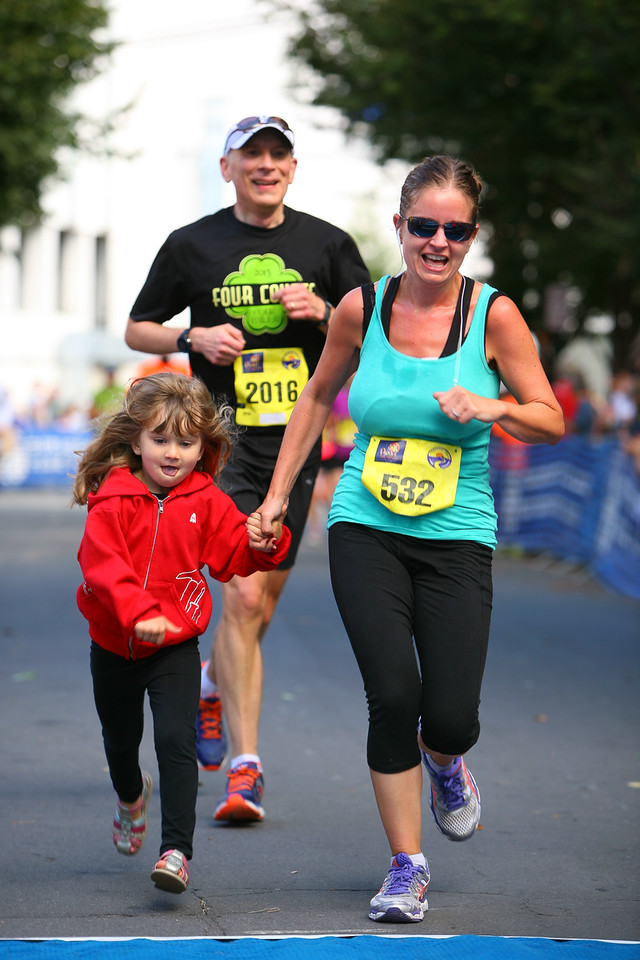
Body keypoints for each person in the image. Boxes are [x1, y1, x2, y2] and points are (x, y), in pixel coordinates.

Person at [254, 155, 565, 923]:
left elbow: (551, 416)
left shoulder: (494, 316)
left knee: (451, 713)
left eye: (454, 230)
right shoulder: (361, 307)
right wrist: (278, 495)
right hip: (367, 524)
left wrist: (492, 410)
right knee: (392, 694)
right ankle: (406, 864)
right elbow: (317, 396)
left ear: (471, 236)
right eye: (422, 225)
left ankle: (446, 758)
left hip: (458, 533)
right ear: (399, 226)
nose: (437, 241)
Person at [124, 115, 370, 822]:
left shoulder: (326, 244)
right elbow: (137, 326)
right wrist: (188, 335)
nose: (266, 165)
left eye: (278, 154)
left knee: (258, 606)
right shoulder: (193, 244)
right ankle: (246, 769)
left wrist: (324, 310)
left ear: (293, 168)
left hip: (295, 447)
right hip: (222, 445)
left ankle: (212, 684)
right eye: (251, 154)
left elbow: (372, 326)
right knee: (239, 598)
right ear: (228, 167)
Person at [72, 373, 290, 893]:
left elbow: (233, 554)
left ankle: (175, 852)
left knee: (176, 740)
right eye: (161, 440)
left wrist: (265, 541)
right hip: (115, 643)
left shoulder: (206, 499)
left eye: (187, 443)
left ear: (202, 448)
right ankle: (131, 797)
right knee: (121, 744)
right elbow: (101, 567)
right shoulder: (113, 497)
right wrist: (135, 612)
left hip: (173, 644)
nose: (173, 453)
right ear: (136, 440)